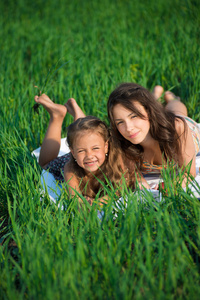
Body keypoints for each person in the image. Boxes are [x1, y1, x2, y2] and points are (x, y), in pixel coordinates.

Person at [34, 94, 140, 205]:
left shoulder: (116, 159)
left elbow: (121, 189)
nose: (89, 155)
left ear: (106, 147)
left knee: (85, 133)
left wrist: (98, 202)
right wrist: (84, 204)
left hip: (90, 154)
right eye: (80, 151)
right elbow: (75, 199)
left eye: (95, 148)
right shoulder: (69, 169)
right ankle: (56, 116)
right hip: (72, 162)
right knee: (44, 164)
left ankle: (75, 113)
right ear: (73, 152)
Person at [107, 83, 200, 187]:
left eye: (134, 116)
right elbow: (137, 181)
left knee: (177, 111)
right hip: (155, 119)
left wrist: (166, 187)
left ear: (149, 111)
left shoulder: (177, 128)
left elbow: (189, 174)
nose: (128, 128)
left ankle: (171, 99)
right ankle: (155, 95)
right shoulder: (123, 144)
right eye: (120, 122)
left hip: (183, 127)